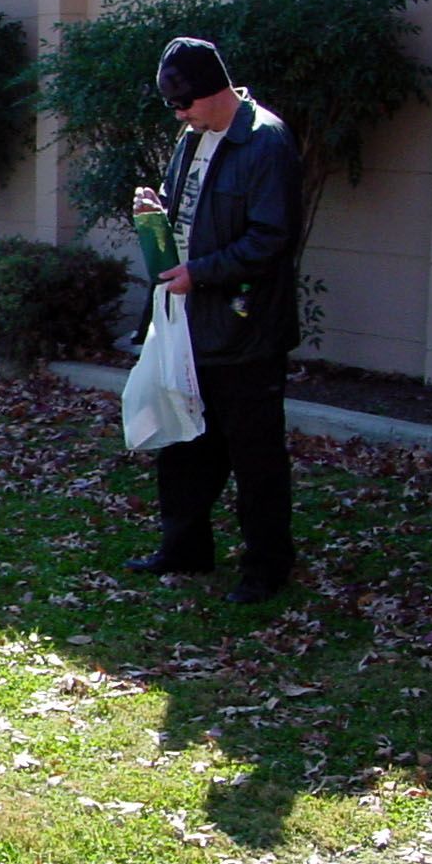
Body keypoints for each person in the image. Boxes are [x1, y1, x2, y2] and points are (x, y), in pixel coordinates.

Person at [123, 36, 301, 605]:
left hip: (246, 330)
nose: (180, 115)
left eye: (185, 104)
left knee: (255, 456)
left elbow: (271, 237)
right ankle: (184, 548)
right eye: (172, 106)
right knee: (183, 445)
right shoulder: (193, 136)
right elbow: (189, 210)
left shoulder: (265, 140)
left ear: (215, 90)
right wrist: (157, 212)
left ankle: (266, 568)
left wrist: (199, 273)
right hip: (189, 324)